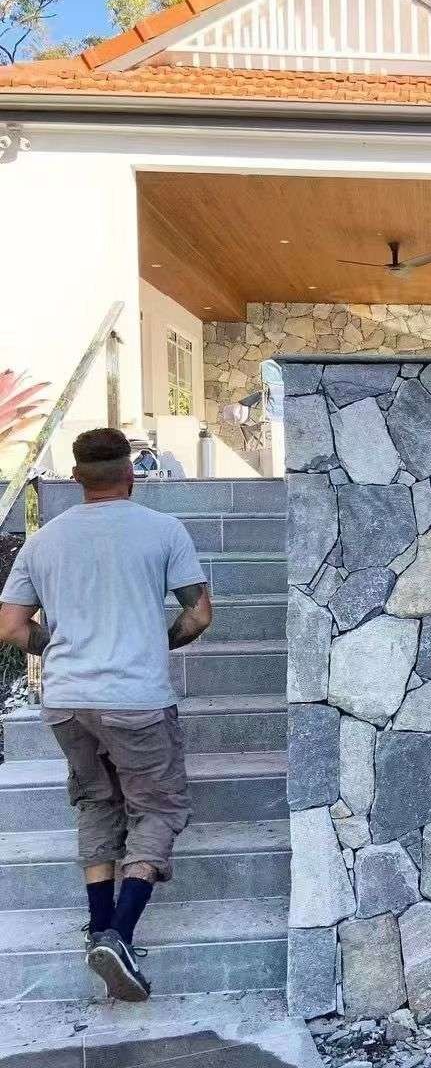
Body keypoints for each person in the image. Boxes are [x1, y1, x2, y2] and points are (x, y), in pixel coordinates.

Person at [0, 428, 213, 1002]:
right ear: (131, 475)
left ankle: (99, 929)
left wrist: (59, 647)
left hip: (67, 701)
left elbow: (11, 627)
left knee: (97, 802)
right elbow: (199, 614)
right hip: (136, 699)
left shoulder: (44, 542)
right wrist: (154, 642)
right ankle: (119, 933)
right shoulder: (163, 530)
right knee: (157, 806)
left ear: (76, 478)